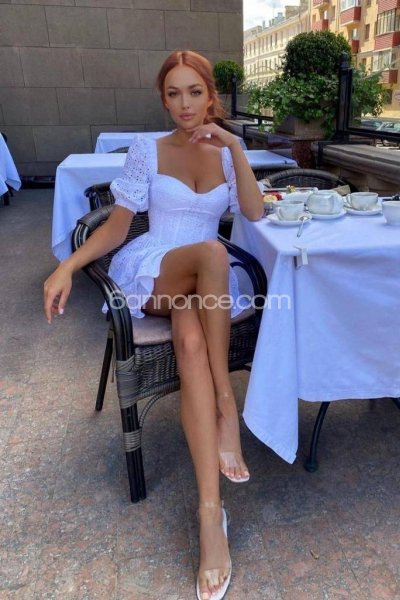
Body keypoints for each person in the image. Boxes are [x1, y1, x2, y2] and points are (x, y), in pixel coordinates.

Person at [44, 49, 263, 600]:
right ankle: (226, 405)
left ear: (210, 95)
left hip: (203, 290)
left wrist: (235, 147)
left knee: (190, 342)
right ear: (163, 99)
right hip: (157, 271)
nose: (185, 105)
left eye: (195, 92)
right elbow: (117, 229)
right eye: (173, 94)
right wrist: (67, 265)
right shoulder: (148, 150)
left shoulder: (226, 151)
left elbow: (255, 213)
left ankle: (210, 515)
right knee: (212, 252)